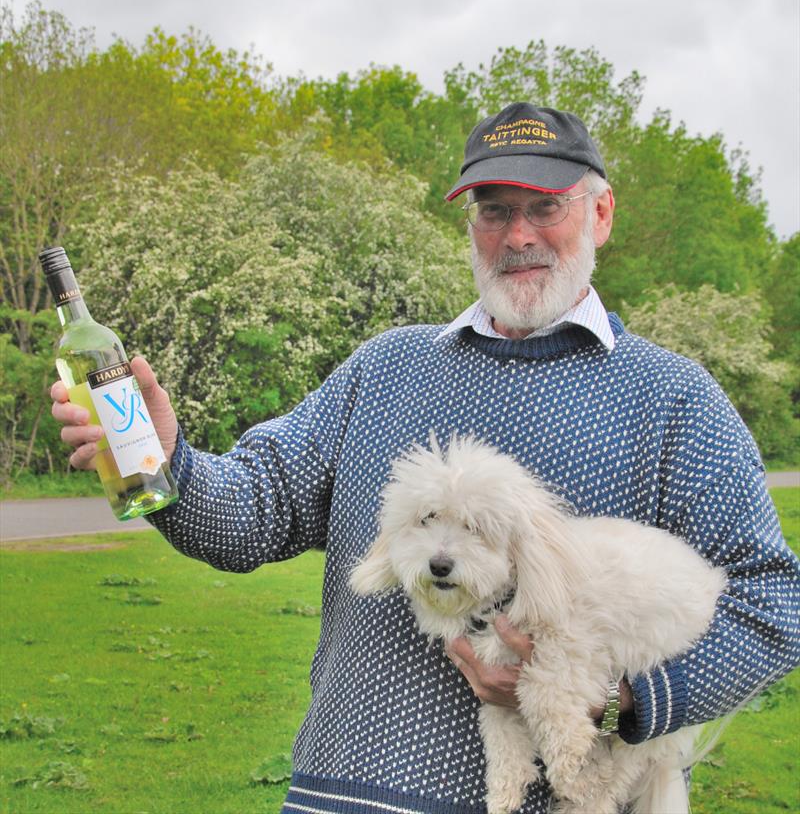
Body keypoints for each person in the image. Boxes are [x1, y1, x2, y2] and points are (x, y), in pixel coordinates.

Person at [51, 103, 800, 814]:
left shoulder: (673, 400)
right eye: (494, 210)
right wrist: (169, 457)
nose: (517, 235)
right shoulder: (386, 368)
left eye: (545, 207)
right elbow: (254, 509)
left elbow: (777, 605)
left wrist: (617, 701)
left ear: (600, 213)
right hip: (340, 794)